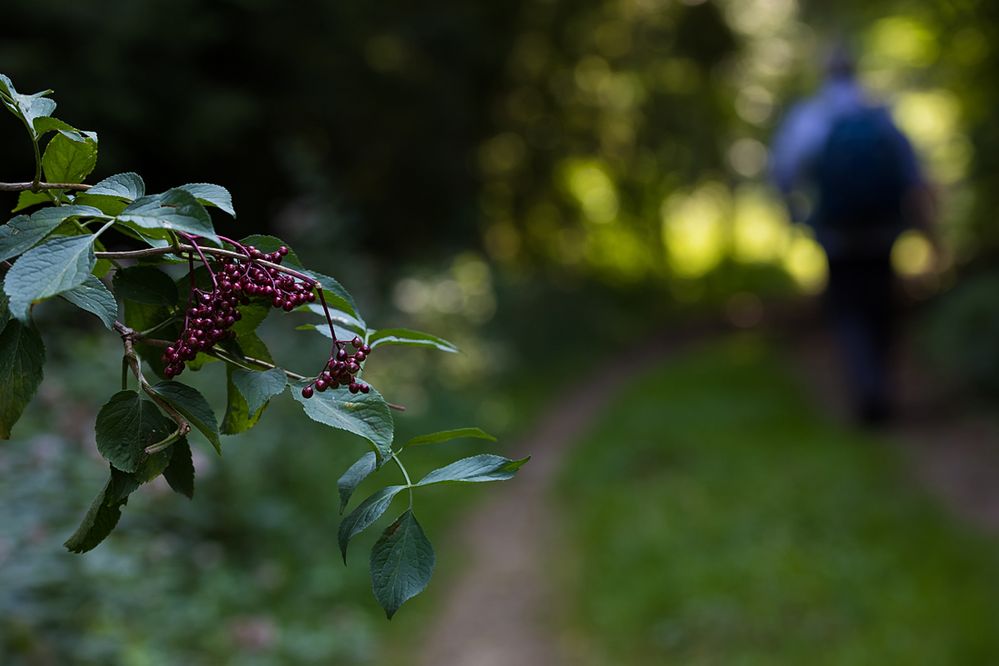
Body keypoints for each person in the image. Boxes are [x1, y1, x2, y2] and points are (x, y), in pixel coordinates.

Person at [770, 48, 934, 425]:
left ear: (824, 74)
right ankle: (881, 387)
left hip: (836, 235)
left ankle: (866, 389)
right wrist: (925, 231)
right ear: (855, 72)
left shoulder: (811, 119)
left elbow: (784, 175)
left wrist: (799, 220)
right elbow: (914, 177)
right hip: (883, 233)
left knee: (847, 312)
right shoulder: (880, 116)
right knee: (882, 310)